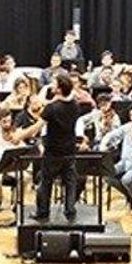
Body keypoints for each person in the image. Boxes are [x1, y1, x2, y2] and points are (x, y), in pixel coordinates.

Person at [26, 72, 91, 222]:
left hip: (53, 151)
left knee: (46, 182)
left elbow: (37, 126)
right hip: (69, 150)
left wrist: (20, 135)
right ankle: (70, 211)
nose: (52, 86)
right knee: (70, 182)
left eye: (54, 84)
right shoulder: (75, 105)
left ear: (60, 89)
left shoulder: (51, 108)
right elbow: (62, 102)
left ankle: (43, 212)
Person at [97, 104, 132, 213]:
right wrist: (103, 147)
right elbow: (110, 135)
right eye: (131, 115)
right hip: (124, 162)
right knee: (107, 175)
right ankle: (131, 196)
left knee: (126, 180)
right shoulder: (127, 127)